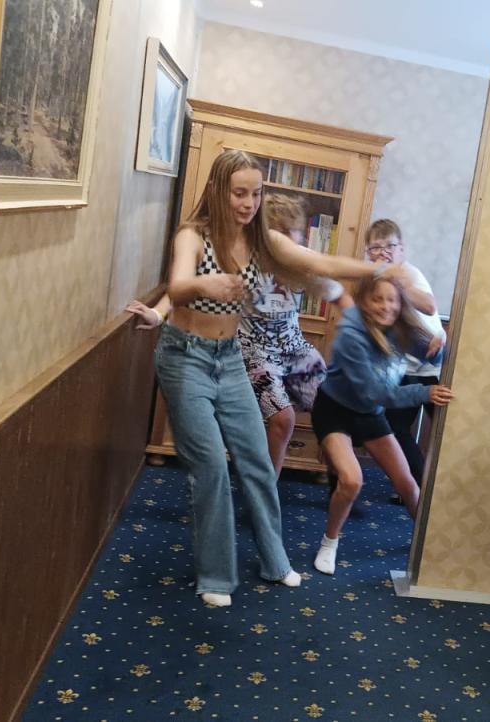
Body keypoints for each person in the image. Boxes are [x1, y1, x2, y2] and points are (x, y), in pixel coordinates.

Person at [152, 150, 402, 608]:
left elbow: (320, 263)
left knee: (256, 459)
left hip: (228, 357)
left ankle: (274, 560)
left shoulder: (263, 241)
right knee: (211, 467)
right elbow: (178, 286)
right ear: (217, 191)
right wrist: (204, 285)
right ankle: (215, 576)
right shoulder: (193, 236)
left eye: (255, 193)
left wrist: (382, 269)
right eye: (239, 193)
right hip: (185, 358)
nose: (248, 203)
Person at [130, 193, 351, 479]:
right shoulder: (243, 261)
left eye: (292, 232)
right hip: (252, 351)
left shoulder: (302, 264)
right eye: (279, 233)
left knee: (336, 403)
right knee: (283, 419)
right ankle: (266, 489)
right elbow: (186, 287)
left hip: (293, 348)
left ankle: (341, 478)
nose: (287, 240)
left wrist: (363, 335)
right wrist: (157, 314)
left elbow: (340, 296)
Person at [311, 274, 454, 575]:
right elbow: (374, 392)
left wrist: (439, 343)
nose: (385, 306)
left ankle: (429, 546)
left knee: (408, 485)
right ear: (364, 301)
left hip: (369, 413)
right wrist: (423, 393)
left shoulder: (400, 329)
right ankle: (329, 542)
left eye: (392, 300)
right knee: (351, 480)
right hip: (335, 410)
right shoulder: (351, 336)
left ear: (400, 304)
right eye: (377, 299)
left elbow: (432, 355)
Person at [361, 220, 446, 503]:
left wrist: (396, 280)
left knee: (446, 433)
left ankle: (435, 492)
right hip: (405, 366)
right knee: (396, 428)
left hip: (433, 364)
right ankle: (419, 489)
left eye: (390, 247)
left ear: (402, 250)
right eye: (376, 248)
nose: (383, 253)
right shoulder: (373, 281)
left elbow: (429, 306)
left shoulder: (408, 273)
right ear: (368, 253)